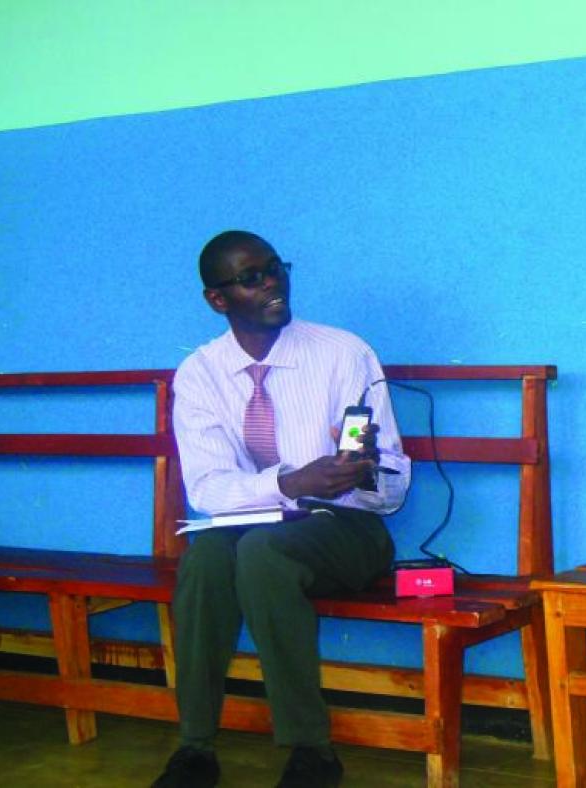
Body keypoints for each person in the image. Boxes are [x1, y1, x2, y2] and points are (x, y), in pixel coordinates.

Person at [152, 230, 411, 788]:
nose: (272, 284)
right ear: (217, 300)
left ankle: (311, 750)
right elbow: (207, 489)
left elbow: (392, 489)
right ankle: (195, 747)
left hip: (349, 528)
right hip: (261, 525)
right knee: (204, 560)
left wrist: (362, 472)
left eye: (275, 269)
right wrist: (292, 482)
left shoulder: (344, 353)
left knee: (262, 553)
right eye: (251, 278)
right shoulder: (200, 374)